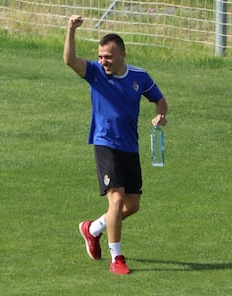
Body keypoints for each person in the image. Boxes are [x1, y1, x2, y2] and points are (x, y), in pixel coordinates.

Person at [63, 15, 168, 275]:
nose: (102, 61)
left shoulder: (139, 77)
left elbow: (160, 100)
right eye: (100, 56)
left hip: (130, 146)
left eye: (107, 56)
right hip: (105, 143)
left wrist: (161, 114)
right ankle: (116, 257)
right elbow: (69, 60)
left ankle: (93, 228)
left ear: (121, 54)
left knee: (131, 205)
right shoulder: (95, 73)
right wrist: (70, 30)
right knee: (116, 198)